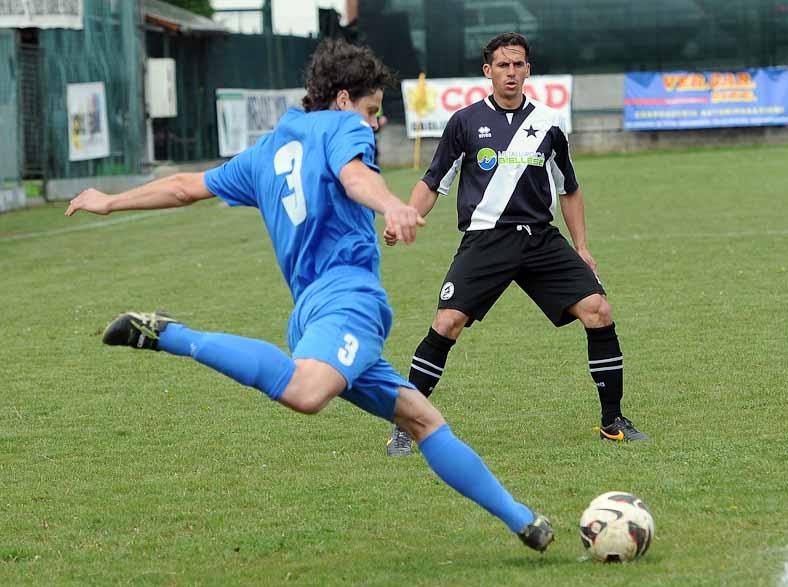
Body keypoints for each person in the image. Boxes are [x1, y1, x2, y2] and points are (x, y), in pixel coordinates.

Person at [65, 39, 553, 553]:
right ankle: (168, 334)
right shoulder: (343, 128)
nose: (374, 123)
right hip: (348, 300)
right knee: (305, 392)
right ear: (343, 100)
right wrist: (392, 204)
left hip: (311, 312)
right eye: (371, 110)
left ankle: (525, 521)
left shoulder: (267, 150)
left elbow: (187, 186)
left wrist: (112, 201)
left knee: (421, 419)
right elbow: (354, 174)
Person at [383, 32, 647, 457]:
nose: (511, 72)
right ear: (488, 71)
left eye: (518, 64)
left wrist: (581, 245)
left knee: (598, 310)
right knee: (447, 323)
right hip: (486, 239)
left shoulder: (548, 125)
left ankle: (612, 421)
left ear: (528, 70)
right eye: (503, 65)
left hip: (540, 238)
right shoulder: (464, 123)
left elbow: (570, 189)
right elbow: (434, 181)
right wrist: (405, 216)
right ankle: (405, 426)